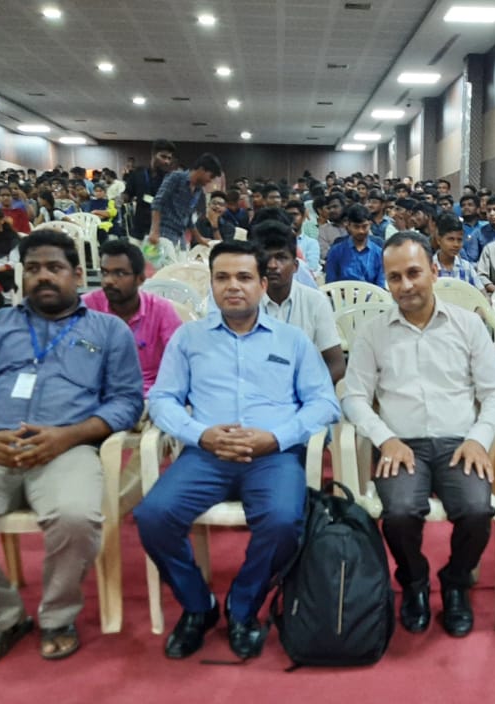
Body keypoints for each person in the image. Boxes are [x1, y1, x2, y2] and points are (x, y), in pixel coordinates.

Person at [0, 230, 144, 665]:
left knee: (76, 517)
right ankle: (2, 615)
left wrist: (68, 436)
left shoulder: (108, 330)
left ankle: (57, 615)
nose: (43, 277)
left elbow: (127, 402)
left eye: (54, 268)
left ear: (78, 275)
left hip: (68, 449)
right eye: (33, 268)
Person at [134, 240, 340, 661]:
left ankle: (243, 607)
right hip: (206, 454)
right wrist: (201, 434)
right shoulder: (189, 339)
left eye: (244, 277)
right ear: (210, 284)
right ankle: (198, 605)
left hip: (272, 455)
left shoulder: (292, 341)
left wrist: (277, 438)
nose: (233, 286)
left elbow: (323, 403)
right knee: (152, 516)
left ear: (262, 284)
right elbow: (163, 399)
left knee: (283, 522)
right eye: (222, 277)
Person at [342, 231, 495, 637]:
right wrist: (385, 438)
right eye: (395, 277)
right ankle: (414, 580)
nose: (405, 285)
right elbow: (354, 397)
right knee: (400, 514)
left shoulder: (468, 325)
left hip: (460, 442)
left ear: (434, 272)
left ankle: (455, 582)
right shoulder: (373, 332)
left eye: (414, 273)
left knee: (476, 511)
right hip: (401, 444)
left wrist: (479, 438)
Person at [81, 239, 181, 396]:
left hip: (148, 396)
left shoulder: (161, 311)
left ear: (140, 278)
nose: (108, 281)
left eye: (119, 273)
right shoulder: (87, 306)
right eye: (105, 272)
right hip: (96, 394)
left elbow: (180, 361)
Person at [251, 222, 344, 382]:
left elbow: (336, 364)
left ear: (295, 266)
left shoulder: (315, 301)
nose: (272, 265)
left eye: (281, 258)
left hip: (306, 386)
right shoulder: (246, 302)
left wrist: (308, 390)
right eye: (266, 258)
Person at [146, 153, 223, 251]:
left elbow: (189, 216)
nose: (210, 181)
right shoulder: (176, 177)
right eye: (210, 176)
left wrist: (199, 238)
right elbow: (158, 202)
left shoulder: (198, 190)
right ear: (202, 169)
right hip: (164, 232)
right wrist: (154, 231)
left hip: (181, 236)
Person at [324, 204, 384, 286]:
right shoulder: (336, 251)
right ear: (348, 225)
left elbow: (381, 285)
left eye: (364, 226)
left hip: (372, 293)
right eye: (356, 227)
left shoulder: (379, 253)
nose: (361, 231)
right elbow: (331, 283)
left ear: (370, 224)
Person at [432, 214, 484, 289]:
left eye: (459, 240)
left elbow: (481, 293)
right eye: (451, 239)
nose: (456, 245)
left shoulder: (467, 267)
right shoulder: (428, 267)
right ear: (439, 240)